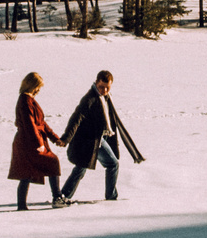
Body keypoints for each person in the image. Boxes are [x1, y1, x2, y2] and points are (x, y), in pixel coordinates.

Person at [60, 69, 144, 202]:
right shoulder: (90, 99)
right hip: (90, 140)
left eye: (107, 87)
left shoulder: (105, 97)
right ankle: (110, 196)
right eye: (101, 87)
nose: (104, 90)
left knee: (83, 167)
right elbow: (76, 118)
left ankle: (64, 195)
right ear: (95, 83)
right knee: (111, 164)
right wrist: (66, 138)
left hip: (98, 138)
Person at [8, 72, 68, 210]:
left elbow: (41, 123)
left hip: (29, 142)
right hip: (28, 143)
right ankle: (57, 197)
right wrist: (39, 144)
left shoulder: (29, 100)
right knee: (52, 162)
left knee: (26, 173)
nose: (39, 90)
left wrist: (54, 138)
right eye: (37, 87)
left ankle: (22, 206)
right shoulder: (25, 101)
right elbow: (30, 125)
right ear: (32, 86)